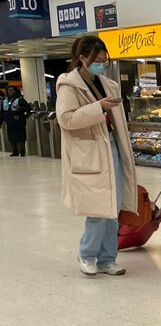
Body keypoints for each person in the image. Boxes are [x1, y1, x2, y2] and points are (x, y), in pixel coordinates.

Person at [56, 35, 137, 277]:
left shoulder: (108, 83)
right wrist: (99, 107)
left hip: (113, 147)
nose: (102, 64)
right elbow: (66, 119)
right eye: (97, 60)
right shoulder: (69, 85)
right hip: (90, 153)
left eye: (104, 60)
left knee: (114, 207)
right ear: (82, 58)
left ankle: (107, 258)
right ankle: (87, 254)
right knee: (98, 209)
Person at [1, 86, 32, 157]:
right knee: (11, 137)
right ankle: (15, 151)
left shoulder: (20, 100)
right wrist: (2, 120)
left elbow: (28, 108)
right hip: (9, 122)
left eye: (12, 90)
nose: (10, 91)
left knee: (21, 136)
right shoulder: (5, 101)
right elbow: (2, 112)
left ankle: (22, 151)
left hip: (19, 122)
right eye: (9, 90)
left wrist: (20, 108)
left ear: (15, 91)